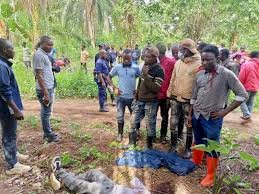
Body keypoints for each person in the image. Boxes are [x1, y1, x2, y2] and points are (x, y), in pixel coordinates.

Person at [189, 45, 248, 187]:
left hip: (213, 117)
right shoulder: (199, 74)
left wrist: (225, 111)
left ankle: (210, 175)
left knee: (212, 144)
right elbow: (194, 96)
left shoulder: (226, 74)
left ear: (218, 58)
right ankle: (196, 161)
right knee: (197, 139)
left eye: (208, 60)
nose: (204, 63)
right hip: (197, 114)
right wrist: (190, 114)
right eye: (202, 59)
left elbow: (242, 94)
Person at [0, 38, 31, 175]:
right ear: (5, 50)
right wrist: (16, 109)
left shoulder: (4, 65)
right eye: (12, 48)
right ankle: (13, 165)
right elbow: (4, 90)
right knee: (9, 134)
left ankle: (13, 153)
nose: (14, 50)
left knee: (10, 133)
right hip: (7, 107)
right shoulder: (2, 66)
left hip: (6, 106)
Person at [167, 38, 201, 159]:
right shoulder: (178, 63)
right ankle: (173, 145)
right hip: (176, 97)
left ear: (188, 50)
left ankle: (187, 149)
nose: (180, 51)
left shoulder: (199, 63)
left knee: (189, 124)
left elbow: (200, 84)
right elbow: (173, 79)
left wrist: (196, 100)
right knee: (173, 123)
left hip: (189, 100)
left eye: (182, 49)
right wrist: (169, 94)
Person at [128, 46, 164, 149]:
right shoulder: (145, 66)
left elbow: (156, 88)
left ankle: (149, 146)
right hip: (140, 100)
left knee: (150, 125)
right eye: (145, 56)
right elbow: (141, 82)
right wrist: (137, 93)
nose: (145, 59)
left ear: (154, 57)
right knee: (133, 121)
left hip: (151, 102)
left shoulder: (159, 70)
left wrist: (146, 75)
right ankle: (132, 145)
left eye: (148, 57)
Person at [49, 157, 150, 193]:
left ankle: (58, 171)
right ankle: (65, 181)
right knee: (94, 173)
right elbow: (134, 180)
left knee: (83, 185)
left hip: (105, 193)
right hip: (112, 186)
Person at [108, 49, 140, 142]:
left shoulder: (136, 68)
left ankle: (136, 133)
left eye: (128, 59)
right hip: (120, 97)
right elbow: (109, 76)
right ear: (122, 58)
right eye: (124, 59)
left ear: (131, 58)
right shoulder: (117, 67)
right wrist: (114, 88)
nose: (126, 61)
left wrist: (138, 90)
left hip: (132, 98)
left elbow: (142, 79)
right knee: (120, 116)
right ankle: (120, 134)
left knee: (134, 117)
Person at [33, 36, 60, 143]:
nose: (50, 47)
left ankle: (47, 133)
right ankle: (48, 135)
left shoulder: (45, 55)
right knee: (46, 112)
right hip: (44, 89)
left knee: (47, 111)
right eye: (48, 44)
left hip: (49, 87)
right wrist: (46, 93)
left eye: (52, 45)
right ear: (42, 44)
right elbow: (39, 75)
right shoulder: (38, 55)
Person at [155, 43, 176, 144]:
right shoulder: (154, 62)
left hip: (165, 96)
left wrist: (170, 96)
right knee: (152, 116)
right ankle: (152, 135)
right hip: (154, 95)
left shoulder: (171, 62)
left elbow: (174, 79)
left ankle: (163, 136)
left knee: (164, 116)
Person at [239, 51, 259, 121]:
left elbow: (241, 76)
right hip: (255, 87)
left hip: (247, 86)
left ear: (250, 56)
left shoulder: (246, 64)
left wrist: (239, 85)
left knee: (241, 101)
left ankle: (247, 114)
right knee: (250, 102)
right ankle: (248, 115)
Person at [171, 44, 185, 140]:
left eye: (178, 52)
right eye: (174, 52)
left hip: (184, 96)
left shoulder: (188, 63)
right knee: (174, 118)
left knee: (182, 118)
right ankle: (174, 141)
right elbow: (172, 79)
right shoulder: (174, 63)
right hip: (175, 95)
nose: (176, 54)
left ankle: (180, 135)